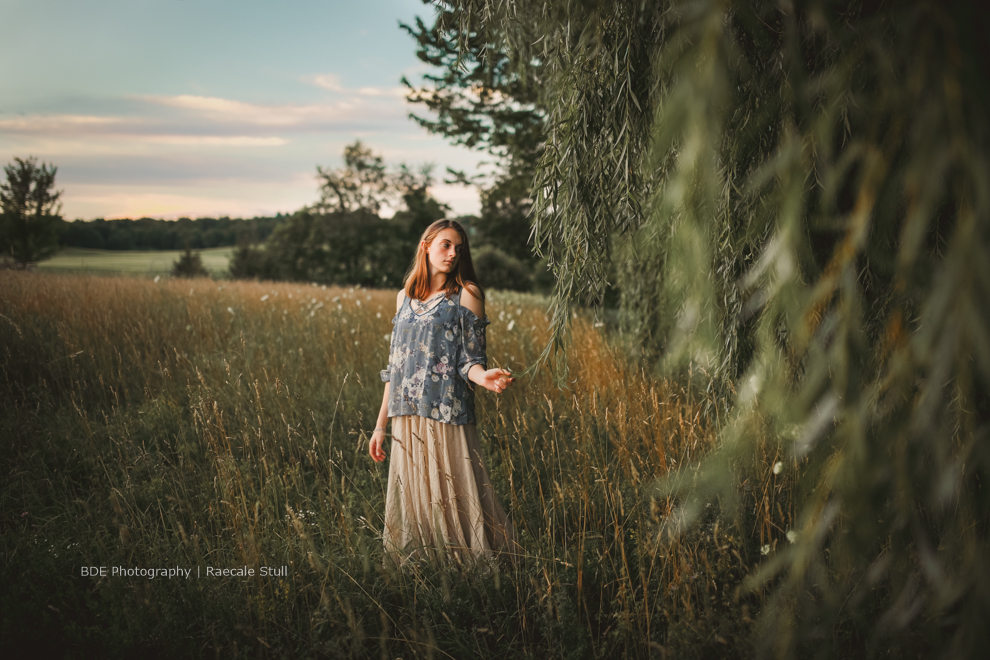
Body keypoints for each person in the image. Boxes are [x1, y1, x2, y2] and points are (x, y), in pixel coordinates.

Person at [369, 219, 520, 565]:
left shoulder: (467, 293)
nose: (452, 254)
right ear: (426, 245)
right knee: (417, 497)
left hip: (446, 409)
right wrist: (380, 426)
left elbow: (471, 358)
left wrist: (483, 378)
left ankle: (471, 569)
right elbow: (395, 366)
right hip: (405, 413)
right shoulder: (403, 298)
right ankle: (426, 568)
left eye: (459, 248)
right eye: (445, 245)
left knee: (455, 494)